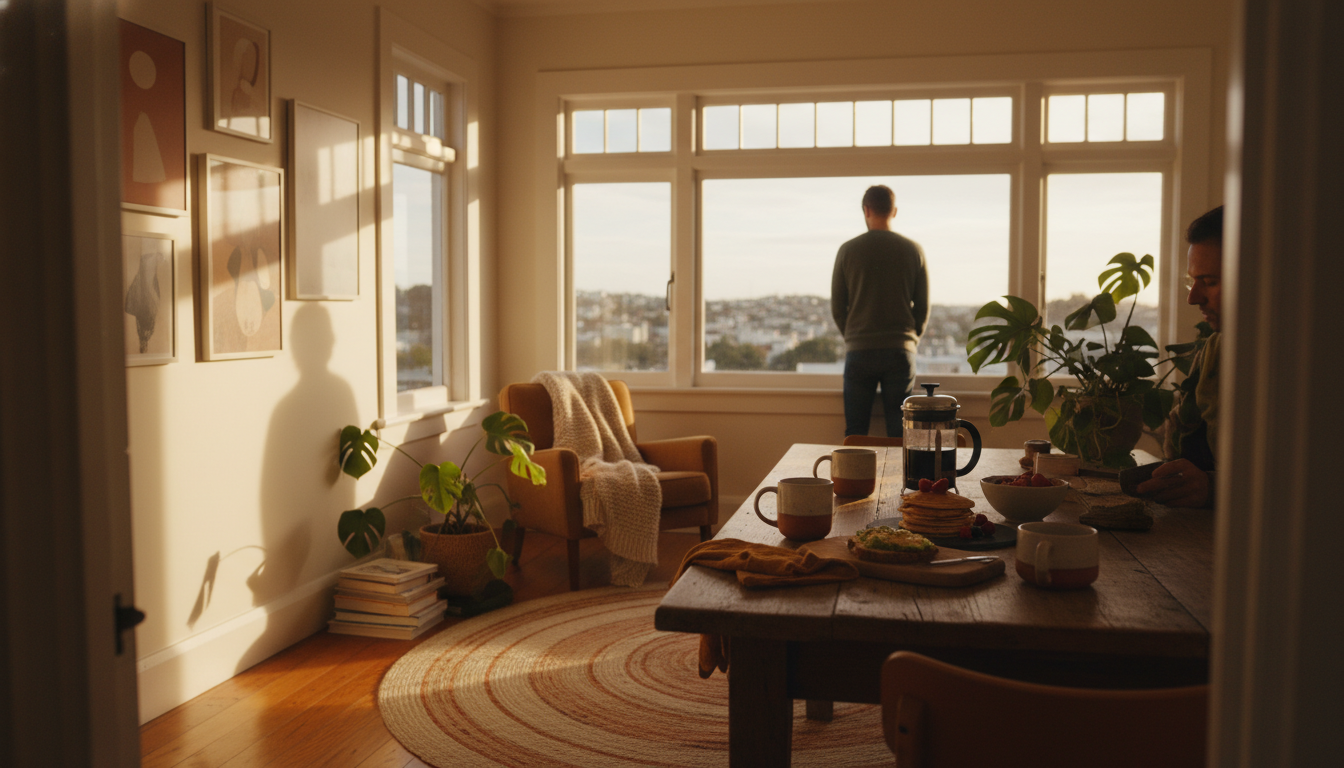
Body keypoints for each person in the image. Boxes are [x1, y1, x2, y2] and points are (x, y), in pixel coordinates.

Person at [1137, 205, 1223, 507]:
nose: (1193, 297)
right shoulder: (1215, 348)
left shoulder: (1308, 361)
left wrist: (1214, 489)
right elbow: (1183, 430)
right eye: (1192, 281)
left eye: (1210, 282)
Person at [830, 185, 930, 437]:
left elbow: (837, 307)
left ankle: (853, 478)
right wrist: (909, 338)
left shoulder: (847, 250)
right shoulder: (913, 250)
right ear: (894, 211)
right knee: (899, 432)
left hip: (860, 350)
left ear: (866, 210)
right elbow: (923, 306)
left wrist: (854, 335)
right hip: (899, 349)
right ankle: (900, 478)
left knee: (855, 432)